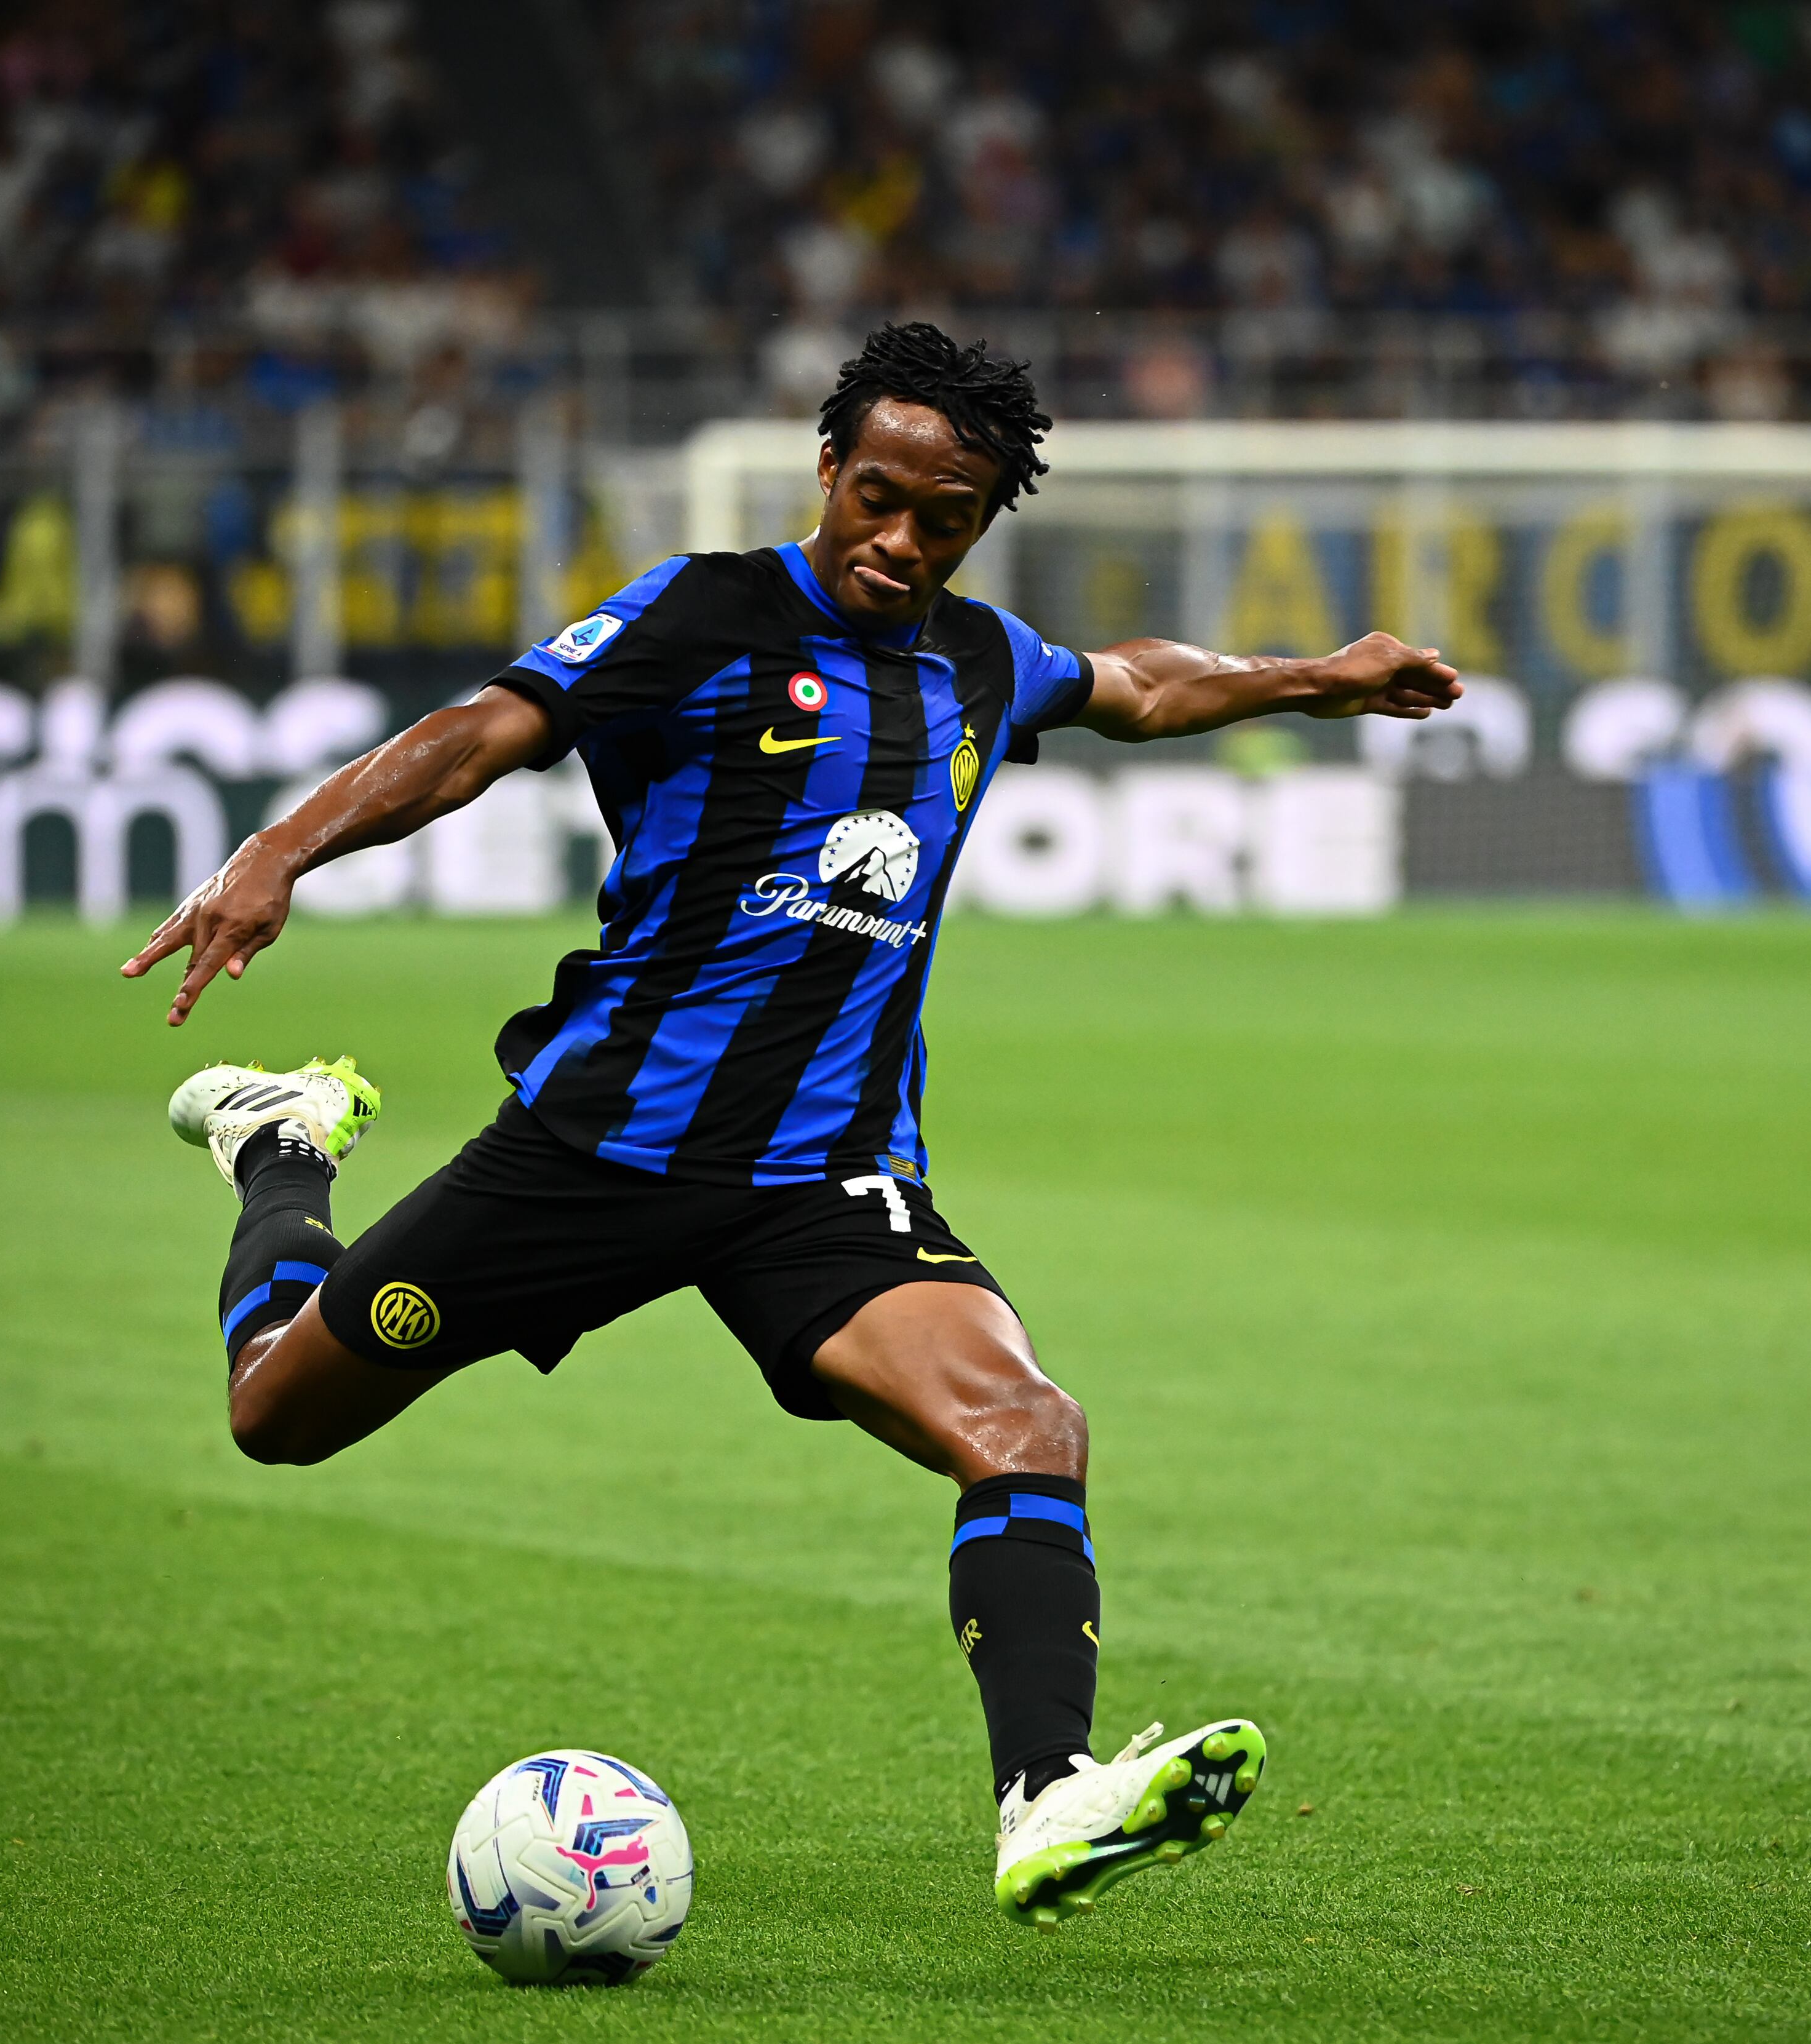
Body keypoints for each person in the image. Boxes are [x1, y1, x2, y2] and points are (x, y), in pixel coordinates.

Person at [122, 323, 1461, 1926]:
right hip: (592, 1155)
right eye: (878, 496)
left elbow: (1139, 684)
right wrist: (282, 848)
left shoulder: (977, 658)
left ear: (980, 521)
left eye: (943, 516)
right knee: (278, 1412)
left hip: (824, 1182)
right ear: (829, 470)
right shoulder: (703, 615)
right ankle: (281, 1146)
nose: (901, 539)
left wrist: (1326, 674)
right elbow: (482, 730)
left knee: (1030, 1428)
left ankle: (1047, 1797)